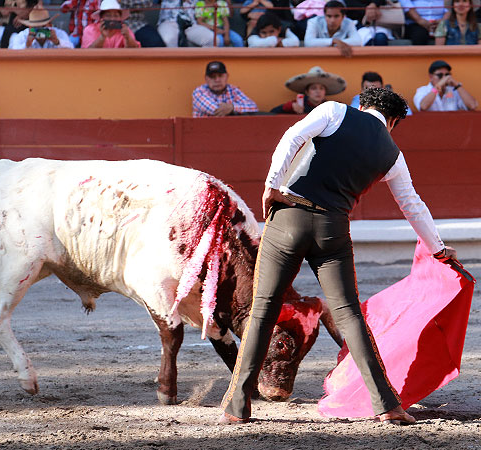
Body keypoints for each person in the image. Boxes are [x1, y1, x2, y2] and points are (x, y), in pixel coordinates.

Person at [218, 86, 458, 426]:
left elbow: (292, 136)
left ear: (362, 105)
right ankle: (387, 405)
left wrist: (272, 184)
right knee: (350, 316)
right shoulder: (392, 154)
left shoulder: (335, 111)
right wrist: (437, 248)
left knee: (263, 310)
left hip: (288, 216)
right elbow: (412, 204)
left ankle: (237, 407)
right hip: (333, 229)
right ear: (392, 122)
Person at [192, 61, 258, 117]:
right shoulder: (199, 92)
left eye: (220, 76)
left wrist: (232, 107)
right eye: (212, 77)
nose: (217, 80)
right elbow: (216, 111)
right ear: (206, 78)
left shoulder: (233, 90)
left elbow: (253, 107)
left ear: (227, 77)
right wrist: (235, 109)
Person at [271, 66, 345, 114]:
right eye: (313, 88)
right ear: (307, 92)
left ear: (325, 92)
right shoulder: (298, 104)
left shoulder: (331, 106)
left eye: (321, 88)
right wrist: (291, 106)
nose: (318, 91)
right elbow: (272, 113)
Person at [413, 59, 478, 111]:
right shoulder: (423, 90)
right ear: (431, 77)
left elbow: (473, 106)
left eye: (447, 75)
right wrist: (437, 87)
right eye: (440, 75)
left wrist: (457, 85)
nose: (444, 78)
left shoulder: (454, 91)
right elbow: (423, 107)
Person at [9, 5, 74, 48]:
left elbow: (72, 50)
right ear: (30, 27)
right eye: (35, 27)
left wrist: (57, 42)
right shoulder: (23, 35)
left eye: (43, 27)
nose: (40, 30)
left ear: (50, 25)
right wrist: (27, 45)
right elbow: (12, 51)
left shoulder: (59, 34)